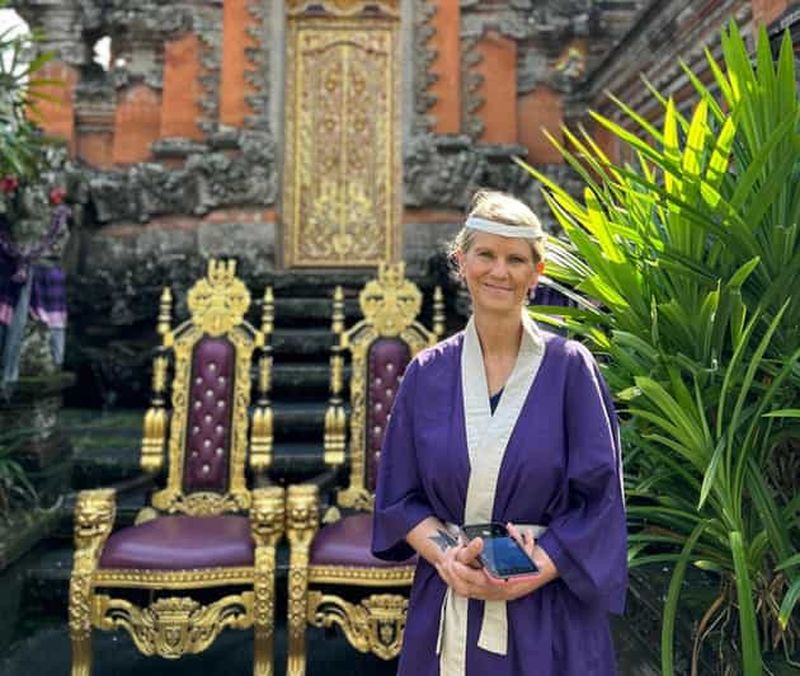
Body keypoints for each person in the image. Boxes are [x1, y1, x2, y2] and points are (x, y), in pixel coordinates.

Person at [371, 189, 627, 675]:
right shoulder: (426, 373)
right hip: (452, 595)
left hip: (548, 608)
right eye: (485, 254)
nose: (499, 271)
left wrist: (532, 573)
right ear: (461, 260)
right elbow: (400, 499)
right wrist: (448, 558)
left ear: (538, 272)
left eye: (515, 259)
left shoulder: (571, 369)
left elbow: (599, 503)